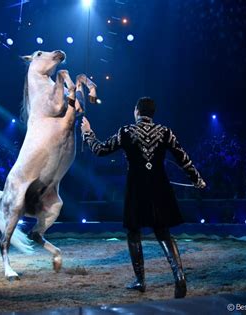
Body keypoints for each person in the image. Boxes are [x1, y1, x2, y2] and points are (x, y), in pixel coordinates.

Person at [80, 97, 206, 298]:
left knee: (133, 231)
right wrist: (197, 180)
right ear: (152, 113)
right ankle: (179, 276)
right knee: (163, 231)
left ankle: (140, 280)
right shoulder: (166, 132)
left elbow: (100, 149)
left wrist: (88, 132)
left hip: (136, 186)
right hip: (159, 185)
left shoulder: (126, 131)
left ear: (137, 111)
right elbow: (183, 157)